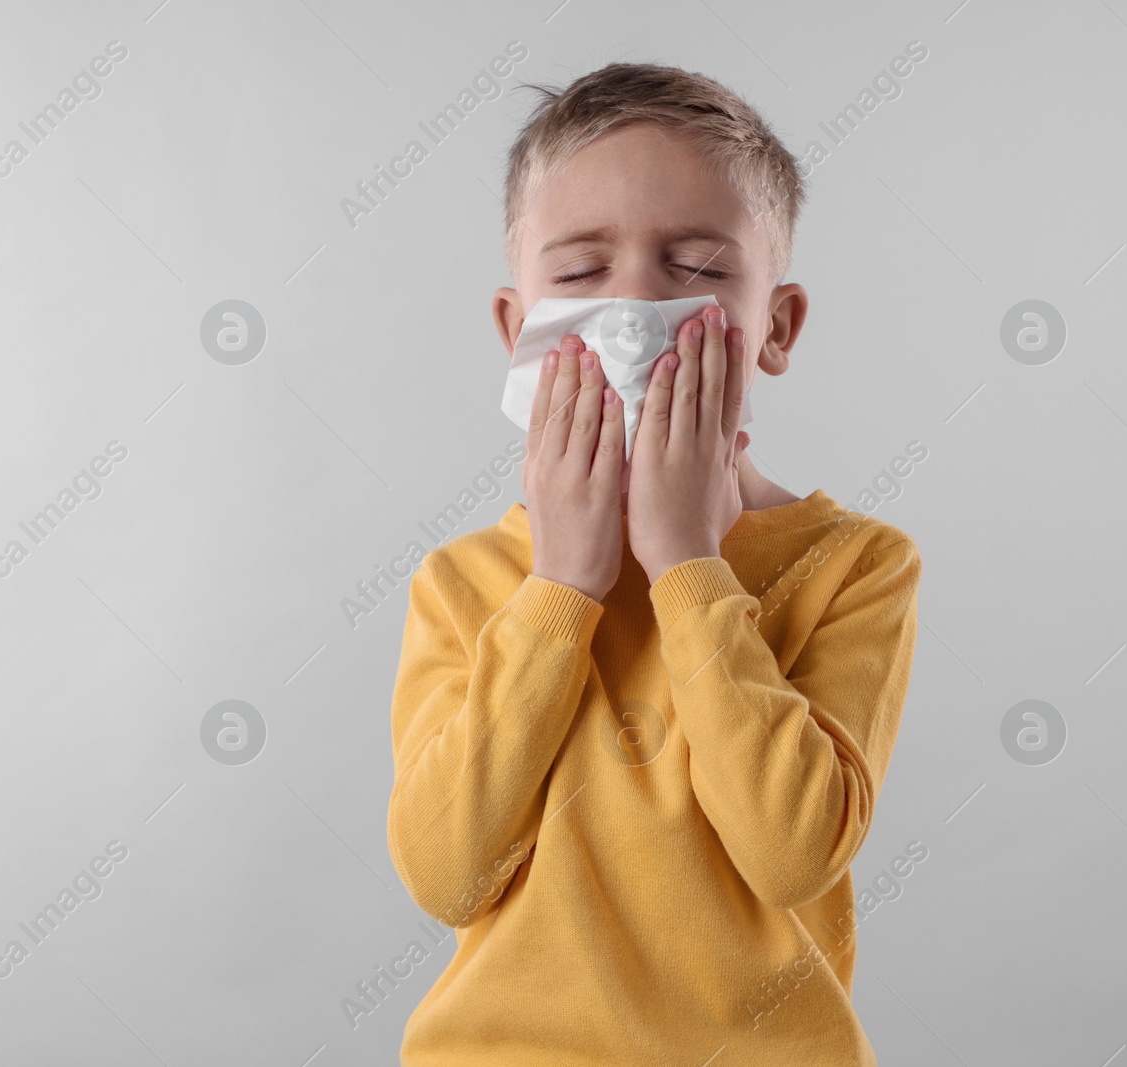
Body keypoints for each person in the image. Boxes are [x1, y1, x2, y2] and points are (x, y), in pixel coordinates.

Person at [386, 62, 924, 1065]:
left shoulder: (855, 565)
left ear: (776, 325)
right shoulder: (463, 581)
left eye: (698, 266)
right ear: (518, 330)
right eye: (582, 273)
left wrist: (684, 561)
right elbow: (448, 875)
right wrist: (561, 586)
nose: (635, 304)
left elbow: (792, 850)